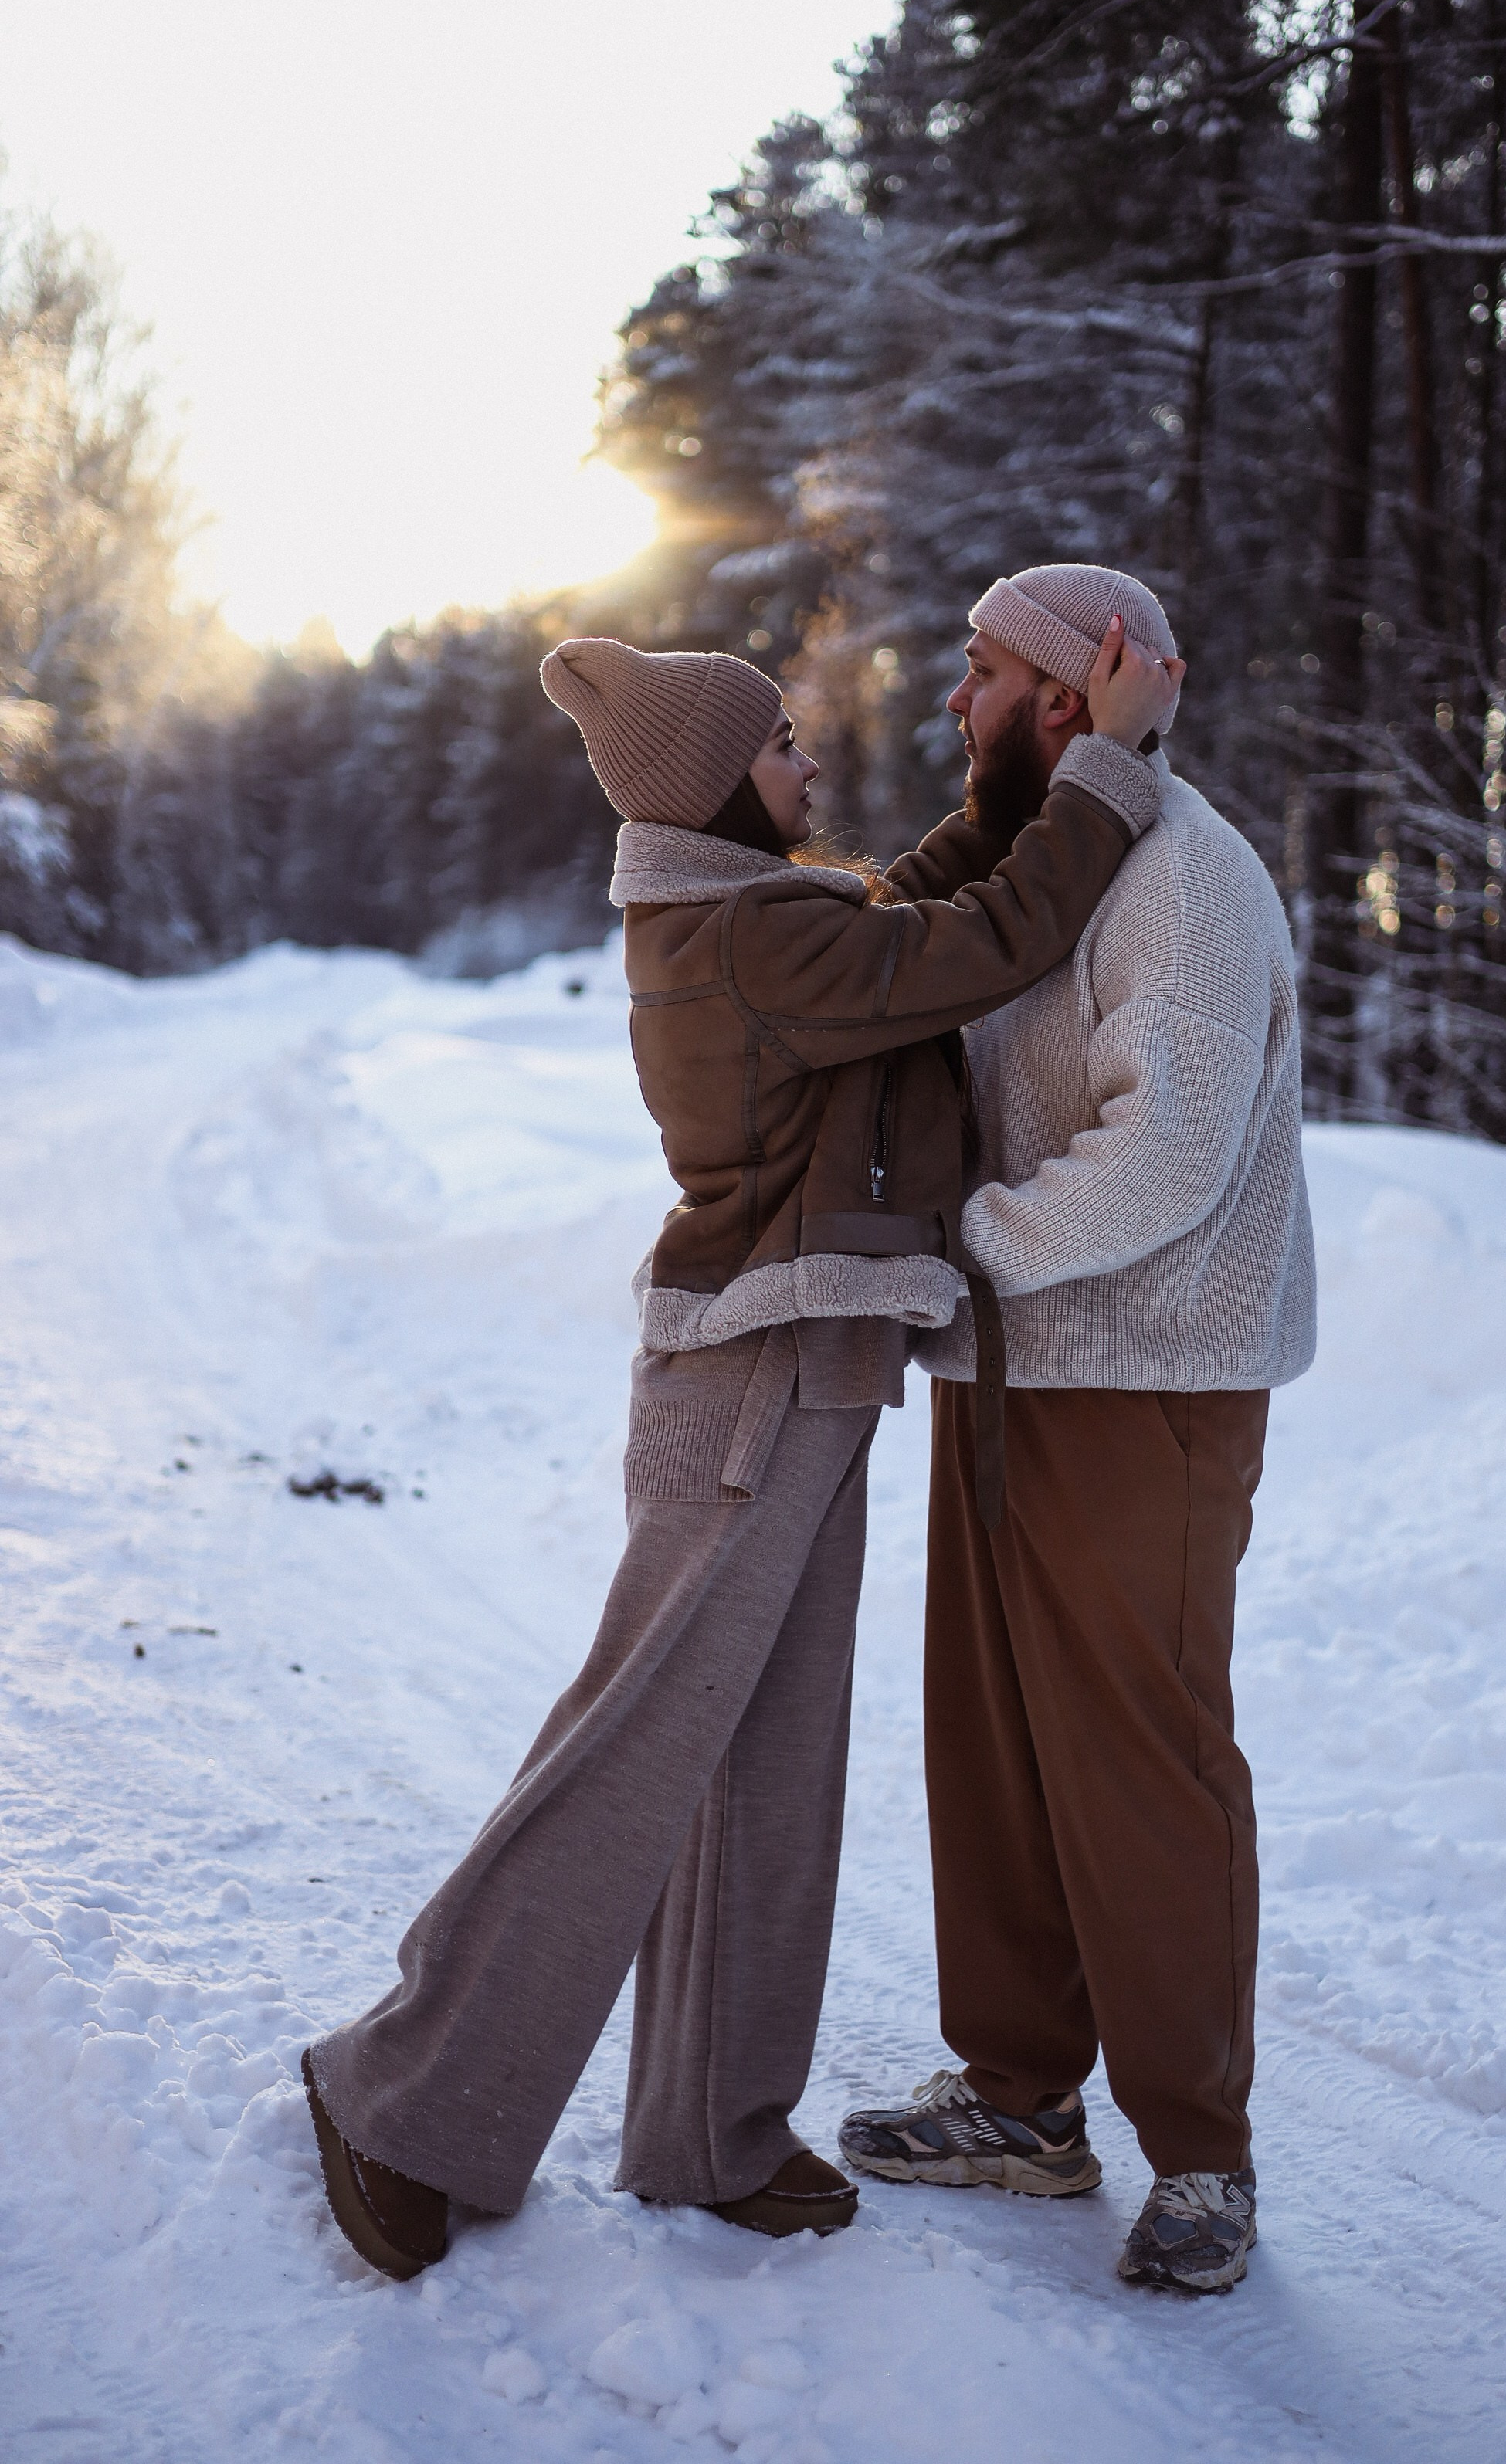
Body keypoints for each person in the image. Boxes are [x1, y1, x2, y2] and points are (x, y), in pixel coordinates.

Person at [300, 620, 1179, 2279]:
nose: (809, 760)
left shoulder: (758, 917)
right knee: (638, 1748)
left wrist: (1015, 800)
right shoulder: (749, 940)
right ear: (715, 788)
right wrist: (1109, 774)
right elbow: (976, 946)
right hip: (757, 1375)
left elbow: (903, 913)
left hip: (810, 1359)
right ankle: (402, 2095)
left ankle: (712, 2129)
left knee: (767, 1754)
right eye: (780, 746)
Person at [836, 564, 1316, 2295]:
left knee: (1139, 1760)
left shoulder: (1183, 877)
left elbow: (1163, 1157)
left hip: (1145, 1380)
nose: (951, 700)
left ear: (1068, 691)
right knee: (995, 1746)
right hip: (1007, 1367)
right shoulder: (1050, 852)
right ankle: (1020, 2099)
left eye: (980, 670)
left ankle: (1202, 2155)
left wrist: (963, 1250)